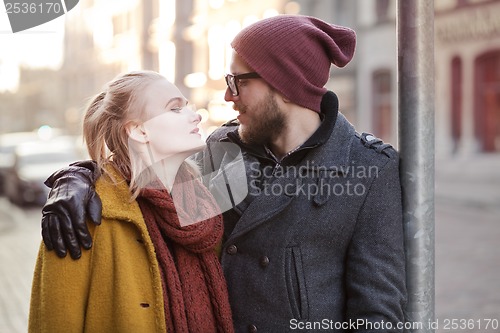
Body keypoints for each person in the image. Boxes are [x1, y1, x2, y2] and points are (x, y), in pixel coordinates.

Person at [40, 15, 407, 332]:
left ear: (284, 84)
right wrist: (79, 178)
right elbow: (149, 191)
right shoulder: (222, 149)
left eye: (237, 82)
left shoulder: (368, 168)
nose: (228, 97)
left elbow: (377, 312)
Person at [29, 71, 234, 333]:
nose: (195, 116)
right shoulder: (82, 212)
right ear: (139, 130)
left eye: (188, 107)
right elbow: (55, 322)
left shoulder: (203, 209)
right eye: (175, 109)